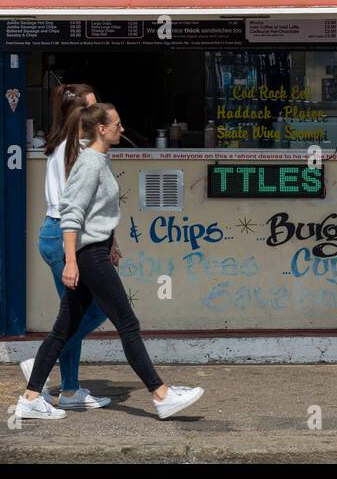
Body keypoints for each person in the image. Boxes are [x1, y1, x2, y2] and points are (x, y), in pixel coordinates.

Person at [15, 103, 205, 421]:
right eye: (117, 124)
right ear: (101, 129)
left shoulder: (100, 158)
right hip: (89, 256)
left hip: (96, 249)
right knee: (127, 324)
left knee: (64, 328)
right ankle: (161, 395)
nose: (122, 129)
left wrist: (111, 239)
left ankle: (31, 397)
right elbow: (71, 214)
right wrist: (71, 262)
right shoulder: (89, 163)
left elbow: (97, 210)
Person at [20, 82, 112, 410]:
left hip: (56, 234)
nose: (98, 113)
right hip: (64, 235)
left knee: (71, 316)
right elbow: (75, 208)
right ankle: (42, 365)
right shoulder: (76, 149)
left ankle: (70, 391)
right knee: (96, 309)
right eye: (91, 108)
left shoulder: (64, 143)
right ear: (78, 114)